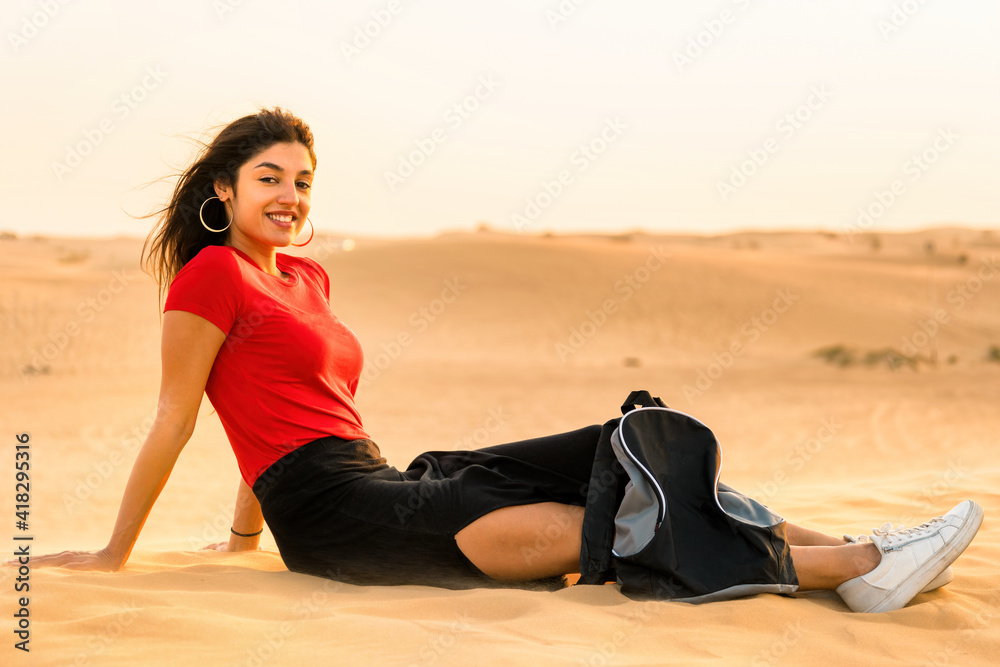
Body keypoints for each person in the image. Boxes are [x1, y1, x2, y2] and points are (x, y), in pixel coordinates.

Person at [29, 108, 983, 613]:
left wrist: (243, 538)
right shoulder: (208, 276)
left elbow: (283, 401)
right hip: (333, 517)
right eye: (268, 178)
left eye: (302, 181)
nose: (288, 195)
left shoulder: (308, 280)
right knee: (586, 528)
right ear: (224, 188)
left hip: (382, 478)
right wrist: (116, 553)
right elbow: (183, 415)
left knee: (624, 447)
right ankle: (853, 569)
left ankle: (851, 543)